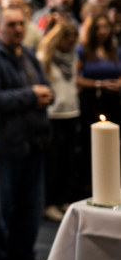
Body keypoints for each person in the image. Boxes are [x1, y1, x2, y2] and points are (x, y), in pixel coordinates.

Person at [0, 6, 53, 260]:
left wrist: (44, 95)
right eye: (11, 25)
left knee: (30, 210)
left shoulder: (28, 55)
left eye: (21, 24)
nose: (18, 29)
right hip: (2, 147)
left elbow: (45, 88)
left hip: (32, 145)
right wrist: (30, 96)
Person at [36, 22, 80, 222]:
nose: (70, 45)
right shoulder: (45, 57)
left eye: (73, 42)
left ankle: (64, 199)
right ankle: (49, 202)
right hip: (53, 114)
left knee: (68, 160)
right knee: (52, 161)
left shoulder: (73, 56)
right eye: (67, 41)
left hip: (72, 111)